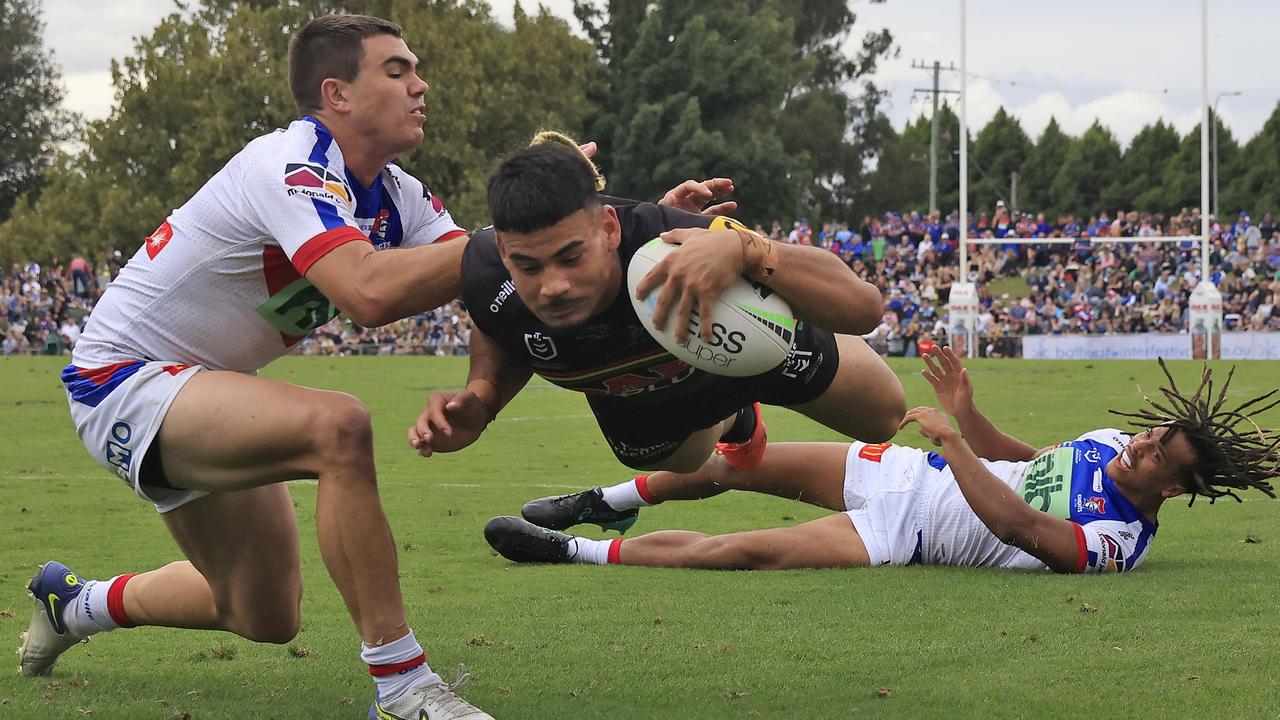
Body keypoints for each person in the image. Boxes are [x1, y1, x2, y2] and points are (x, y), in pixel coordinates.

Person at [18, 15, 722, 720]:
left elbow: (496, 285)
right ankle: (402, 686)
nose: (420, 85)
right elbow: (370, 292)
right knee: (340, 428)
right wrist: (608, 218)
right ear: (338, 93)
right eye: (397, 70)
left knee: (262, 613)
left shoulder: (398, 194)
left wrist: (620, 238)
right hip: (122, 379)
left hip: (201, 389)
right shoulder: (289, 165)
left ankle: (75, 603)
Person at [409, 142, 906, 526]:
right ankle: (735, 421)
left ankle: (742, 399)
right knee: (686, 462)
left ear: (609, 228)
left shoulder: (670, 236)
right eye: (527, 266)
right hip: (651, 403)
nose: (552, 286)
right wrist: (482, 398)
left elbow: (865, 308)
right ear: (502, 248)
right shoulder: (481, 272)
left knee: (885, 416)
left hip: (763, 347)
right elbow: (499, 330)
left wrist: (746, 251)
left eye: (570, 257)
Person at [486, 347, 1278, 574]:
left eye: (1154, 454)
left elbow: (1022, 526)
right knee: (734, 463)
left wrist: (952, 440)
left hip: (908, 533)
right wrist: (967, 414)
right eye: (1147, 435)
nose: (1136, 445)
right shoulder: (1107, 449)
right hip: (906, 474)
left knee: (744, 551)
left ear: (1176, 487)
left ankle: (571, 551)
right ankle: (607, 495)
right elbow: (1029, 463)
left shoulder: (1117, 543)